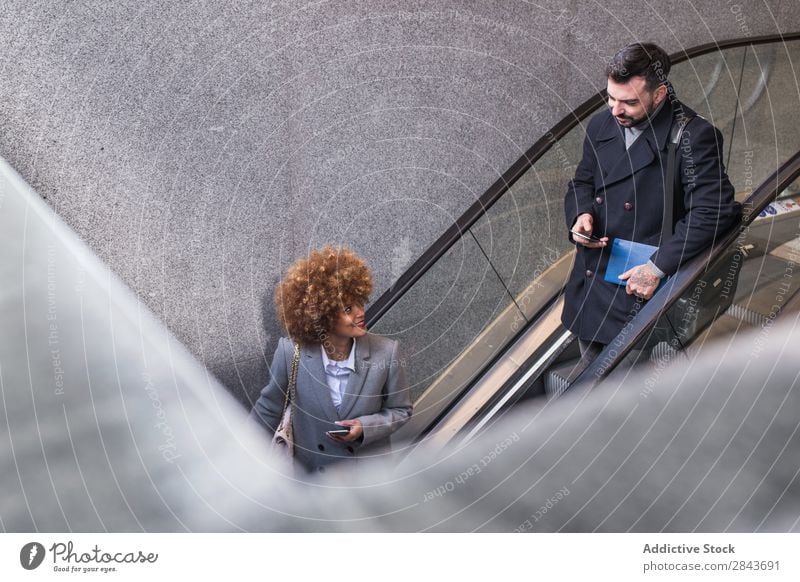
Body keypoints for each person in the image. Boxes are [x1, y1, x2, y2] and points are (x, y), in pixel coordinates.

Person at [561, 42, 740, 366]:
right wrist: (581, 214)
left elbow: (713, 212)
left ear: (659, 95)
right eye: (611, 97)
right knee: (592, 379)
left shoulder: (692, 136)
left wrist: (656, 268)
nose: (616, 110)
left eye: (628, 102)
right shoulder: (602, 124)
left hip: (640, 287)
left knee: (626, 392)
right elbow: (582, 182)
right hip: (591, 280)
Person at [249, 246, 412, 474]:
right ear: (321, 316)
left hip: (368, 479)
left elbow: (401, 410)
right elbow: (268, 409)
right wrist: (238, 456)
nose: (360, 312)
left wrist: (365, 427)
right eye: (347, 308)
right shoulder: (290, 352)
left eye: (359, 302)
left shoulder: (387, 352)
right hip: (313, 477)